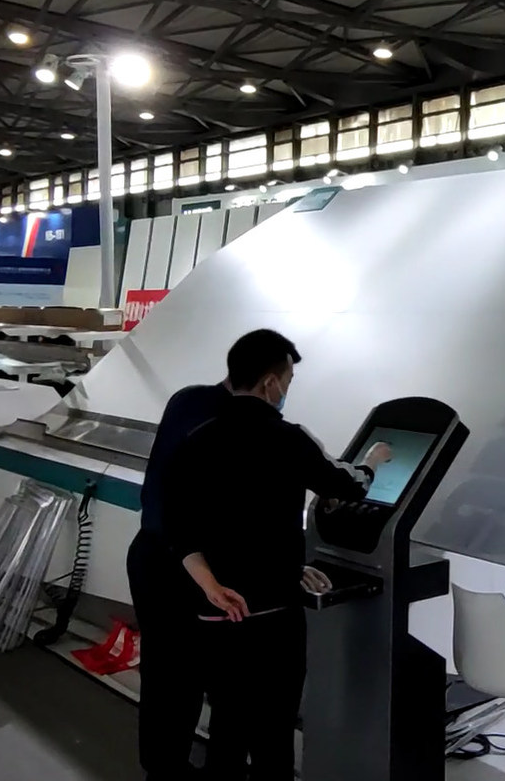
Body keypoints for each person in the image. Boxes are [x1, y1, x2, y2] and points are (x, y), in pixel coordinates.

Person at [163, 329, 392, 781]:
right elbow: (347, 485)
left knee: (227, 723)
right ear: (270, 382)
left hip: (214, 615)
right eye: (287, 379)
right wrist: (374, 458)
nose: (286, 388)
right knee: (273, 730)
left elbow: (179, 532)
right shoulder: (287, 438)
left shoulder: (197, 439)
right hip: (272, 615)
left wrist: (212, 588)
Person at [126, 360, 233, 780]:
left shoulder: (187, 399)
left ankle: (162, 765)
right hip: (184, 565)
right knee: (189, 674)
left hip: (149, 554)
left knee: (164, 672)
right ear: (269, 383)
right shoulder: (228, 423)